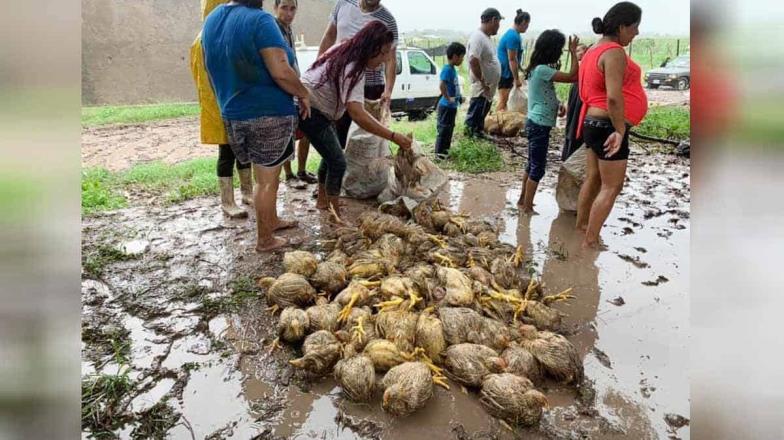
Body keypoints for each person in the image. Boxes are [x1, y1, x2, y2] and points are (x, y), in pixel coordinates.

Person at [202, 0, 311, 252]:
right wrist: (303, 93)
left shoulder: (213, 19)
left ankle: (271, 220)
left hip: (233, 112)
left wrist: (224, 101)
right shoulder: (260, 20)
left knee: (262, 175)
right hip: (267, 112)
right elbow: (281, 71)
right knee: (267, 181)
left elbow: (210, 68)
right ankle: (265, 239)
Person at [300, 21, 412, 216]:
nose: (385, 59)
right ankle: (335, 214)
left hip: (316, 106)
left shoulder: (347, 50)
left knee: (331, 155)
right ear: (372, 48)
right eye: (384, 53)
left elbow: (352, 102)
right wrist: (393, 136)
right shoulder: (353, 66)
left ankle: (323, 201)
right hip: (310, 107)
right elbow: (357, 113)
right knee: (338, 161)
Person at [575, 1, 647, 249]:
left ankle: (581, 226)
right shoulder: (614, 52)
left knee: (593, 178)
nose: (636, 33)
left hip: (592, 122)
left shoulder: (593, 50)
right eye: (634, 27)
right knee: (612, 186)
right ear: (622, 26)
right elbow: (614, 97)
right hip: (607, 125)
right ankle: (591, 241)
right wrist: (620, 129)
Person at [190, 0, 253, 219]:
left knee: (243, 150)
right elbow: (205, 80)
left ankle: (247, 192)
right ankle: (227, 201)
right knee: (226, 152)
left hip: (233, 100)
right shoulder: (204, 40)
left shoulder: (220, 35)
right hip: (219, 104)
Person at [318, 0, 399, 148]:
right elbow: (329, 37)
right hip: (340, 82)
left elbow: (390, 60)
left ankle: (362, 170)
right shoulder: (342, 4)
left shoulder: (388, 20)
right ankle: (335, 168)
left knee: (369, 141)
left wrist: (388, 91)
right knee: (338, 138)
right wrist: (320, 70)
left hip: (371, 88)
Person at [516, 30, 579, 214]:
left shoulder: (537, 69)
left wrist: (557, 104)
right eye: (560, 49)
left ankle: (523, 201)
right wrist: (574, 53)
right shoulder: (543, 69)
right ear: (551, 49)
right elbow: (572, 77)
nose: (561, 53)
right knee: (538, 168)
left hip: (536, 121)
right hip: (539, 124)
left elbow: (543, 93)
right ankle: (527, 208)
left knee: (532, 164)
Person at [274, 0, 319, 187]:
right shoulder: (273, 30)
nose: (289, 13)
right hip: (282, 90)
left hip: (295, 88)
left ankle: (301, 171)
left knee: (307, 128)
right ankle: (289, 175)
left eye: (293, 8)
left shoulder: (288, 29)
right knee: (287, 134)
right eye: (284, 8)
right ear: (275, 8)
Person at [464, 8, 503, 138]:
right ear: (493, 20)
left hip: (487, 87)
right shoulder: (478, 37)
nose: (499, 26)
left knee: (482, 112)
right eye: (498, 22)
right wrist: (482, 80)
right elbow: (473, 59)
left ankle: (478, 133)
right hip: (481, 86)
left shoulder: (486, 37)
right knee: (475, 112)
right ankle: (470, 137)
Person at [434, 42, 466, 159]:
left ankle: (445, 151)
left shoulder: (452, 69)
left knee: (449, 129)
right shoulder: (447, 69)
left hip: (452, 106)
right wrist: (447, 98)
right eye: (462, 57)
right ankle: (439, 154)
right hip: (446, 106)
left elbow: (453, 87)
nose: (462, 60)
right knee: (443, 129)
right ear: (455, 56)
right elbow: (442, 84)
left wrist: (459, 98)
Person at [496, 9, 530, 112]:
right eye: (527, 25)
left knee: (505, 101)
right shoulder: (513, 37)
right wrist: (516, 79)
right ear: (523, 22)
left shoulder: (515, 35)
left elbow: (515, 58)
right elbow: (512, 59)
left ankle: (501, 122)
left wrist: (521, 69)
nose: (527, 28)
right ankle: (493, 123)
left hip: (506, 72)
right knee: (503, 101)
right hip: (505, 73)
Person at [561, 43, 589, 161]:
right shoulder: (580, 70)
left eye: (579, 51)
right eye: (576, 51)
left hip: (580, 99)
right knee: (574, 125)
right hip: (578, 98)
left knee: (575, 126)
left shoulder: (585, 69)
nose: (578, 53)